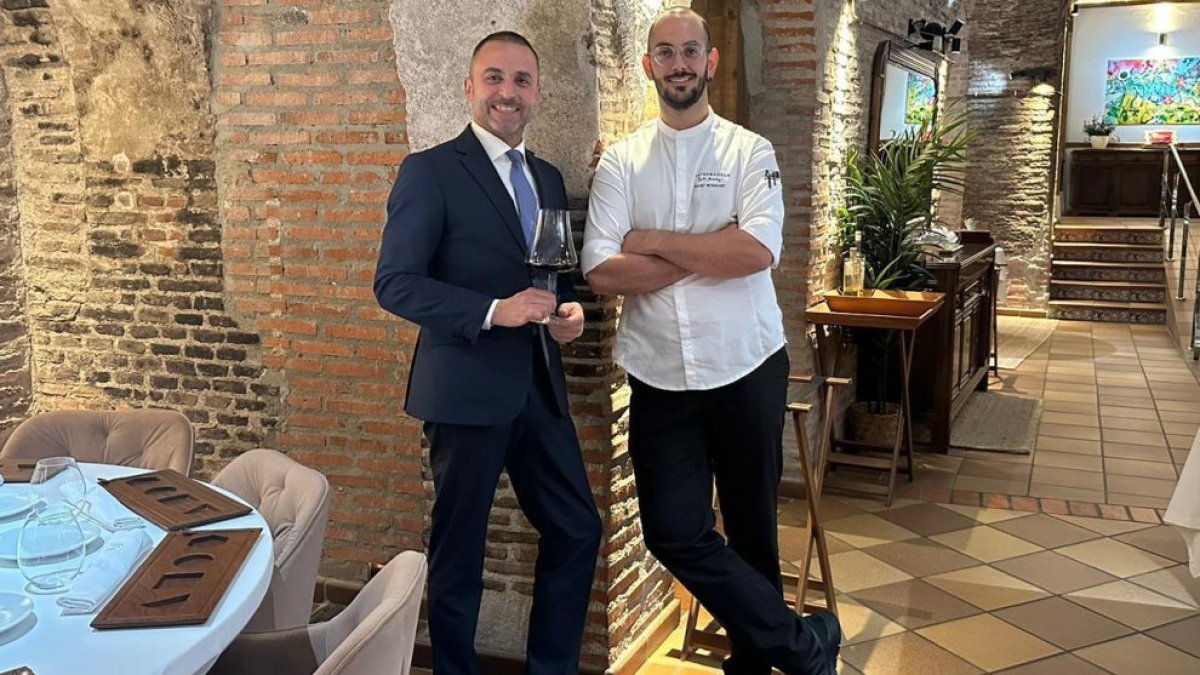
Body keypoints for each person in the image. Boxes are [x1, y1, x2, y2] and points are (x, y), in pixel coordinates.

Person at [581, 7, 841, 675]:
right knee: (673, 531)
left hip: (746, 367)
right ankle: (804, 644)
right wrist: (706, 248)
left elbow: (756, 250)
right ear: (648, 66)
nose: (679, 64)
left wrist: (656, 243)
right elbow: (603, 268)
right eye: (665, 53)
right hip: (658, 376)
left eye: (690, 51)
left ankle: (753, 665)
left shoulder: (749, 152)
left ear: (711, 61)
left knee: (753, 528)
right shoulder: (621, 161)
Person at [374, 31, 602, 675]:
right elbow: (395, 283)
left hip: (540, 386)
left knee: (578, 529)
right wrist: (494, 312)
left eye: (522, 80)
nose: (509, 92)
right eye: (494, 78)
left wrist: (567, 313)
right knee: (459, 550)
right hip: (466, 389)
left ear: (537, 93)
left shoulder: (549, 177)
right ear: (469, 87)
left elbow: (550, 274)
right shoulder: (432, 171)